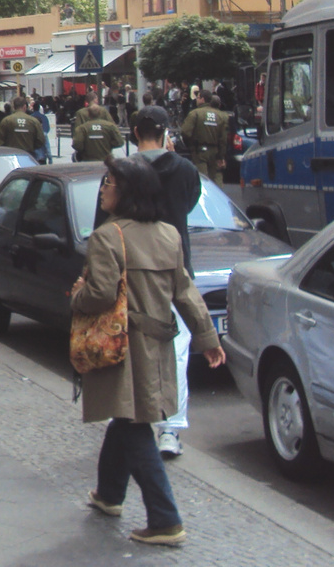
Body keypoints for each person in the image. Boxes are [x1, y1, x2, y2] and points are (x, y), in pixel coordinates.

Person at [75, 155, 224, 546]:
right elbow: (186, 292)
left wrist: (77, 297)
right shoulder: (169, 235)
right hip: (156, 344)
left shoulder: (109, 236)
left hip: (121, 345)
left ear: (126, 192)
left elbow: (101, 293)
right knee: (125, 416)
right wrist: (208, 339)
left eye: (108, 181)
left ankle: (165, 518)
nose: (103, 187)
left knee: (133, 423)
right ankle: (109, 494)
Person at [128, 106, 203, 461]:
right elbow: (188, 205)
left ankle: (134, 419)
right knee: (176, 350)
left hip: (133, 270)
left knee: (133, 348)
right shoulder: (185, 170)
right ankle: (170, 429)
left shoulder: (122, 172)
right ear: (166, 133)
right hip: (174, 268)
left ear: (134, 132)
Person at [179, 94, 231, 185]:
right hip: (215, 151)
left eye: (198, 97)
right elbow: (223, 139)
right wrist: (221, 156)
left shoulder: (195, 113)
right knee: (216, 178)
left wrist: (191, 145)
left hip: (199, 151)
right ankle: (218, 198)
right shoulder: (223, 116)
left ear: (202, 99)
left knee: (202, 179)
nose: (196, 100)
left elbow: (185, 132)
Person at [0, 97, 46, 162]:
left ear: (13, 107)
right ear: (25, 106)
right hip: (28, 155)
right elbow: (41, 140)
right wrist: (32, 146)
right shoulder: (34, 121)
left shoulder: (6, 121)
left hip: (11, 156)